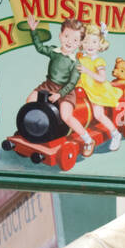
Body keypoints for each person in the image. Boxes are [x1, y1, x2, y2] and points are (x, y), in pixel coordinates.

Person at [25, 13, 93, 156]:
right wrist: (33, 31)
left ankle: (87, 139)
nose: (69, 42)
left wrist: (59, 95)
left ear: (80, 44)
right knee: (29, 101)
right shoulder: (54, 51)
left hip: (66, 91)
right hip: (48, 85)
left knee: (65, 115)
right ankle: (31, 129)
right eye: (67, 36)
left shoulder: (76, 64)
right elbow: (39, 48)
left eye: (75, 39)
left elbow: (72, 83)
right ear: (61, 35)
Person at [77, 23, 122, 150]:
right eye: (86, 42)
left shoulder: (98, 61)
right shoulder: (81, 57)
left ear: (100, 43)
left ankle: (115, 134)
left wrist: (87, 71)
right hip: (82, 88)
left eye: (94, 42)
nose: (90, 45)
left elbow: (102, 78)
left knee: (98, 115)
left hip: (96, 91)